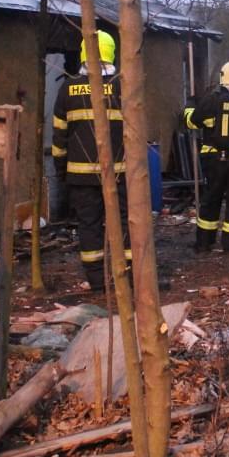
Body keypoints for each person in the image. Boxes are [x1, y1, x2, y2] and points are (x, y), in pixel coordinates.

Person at [51, 31, 129, 291]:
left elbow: (59, 137)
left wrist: (62, 172)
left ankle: (97, 279)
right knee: (123, 221)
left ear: (84, 54)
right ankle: (127, 274)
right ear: (111, 53)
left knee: (89, 225)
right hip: (119, 173)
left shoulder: (68, 89)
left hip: (80, 177)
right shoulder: (122, 86)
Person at [184, 60, 229, 252]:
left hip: (212, 158)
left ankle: (204, 242)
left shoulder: (210, 99)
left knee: (211, 199)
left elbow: (191, 122)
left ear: (222, 77)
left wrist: (190, 105)